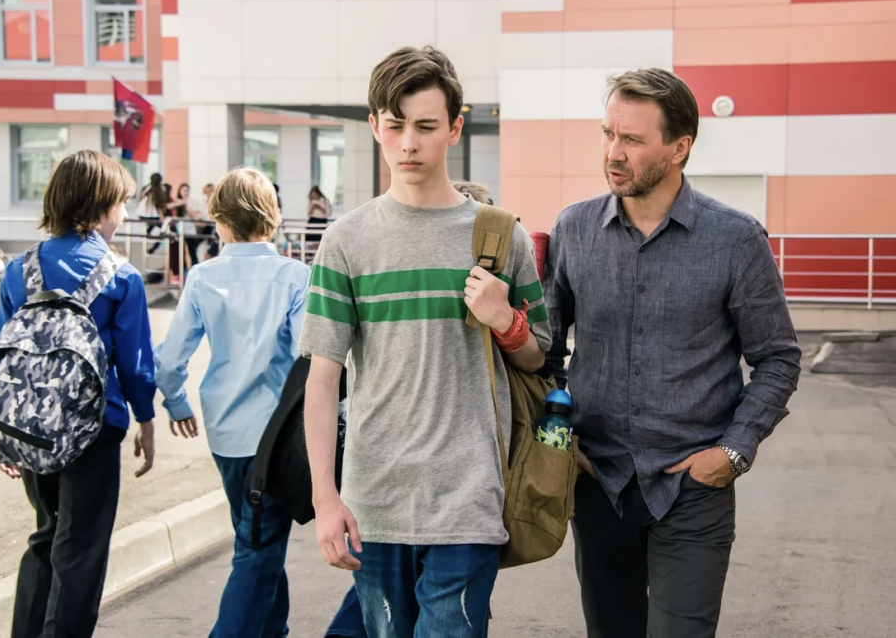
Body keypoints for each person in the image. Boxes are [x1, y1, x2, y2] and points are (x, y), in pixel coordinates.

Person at [300, 45, 551, 638]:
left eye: (426, 126)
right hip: (375, 500)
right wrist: (325, 498)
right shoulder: (346, 242)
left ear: (454, 129)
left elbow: (538, 355)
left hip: (469, 498)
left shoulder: (502, 236)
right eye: (395, 126)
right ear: (375, 126)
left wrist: (505, 320)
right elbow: (323, 379)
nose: (408, 143)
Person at [543, 68, 802, 638]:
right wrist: (562, 443)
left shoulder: (736, 239)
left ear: (680, 147)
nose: (613, 152)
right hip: (598, 481)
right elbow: (544, 352)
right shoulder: (574, 229)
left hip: (693, 488)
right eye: (608, 133)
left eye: (632, 139)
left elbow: (778, 358)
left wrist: (733, 452)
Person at [0, 150, 157, 638]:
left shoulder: (19, 270)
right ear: (100, 206)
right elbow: (136, 365)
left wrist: (3, 430)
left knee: (46, 535)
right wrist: (146, 421)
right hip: (94, 430)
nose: (125, 214)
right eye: (121, 203)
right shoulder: (121, 276)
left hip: (32, 426)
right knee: (81, 546)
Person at [154, 166, 311, 638]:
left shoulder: (203, 277)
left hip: (224, 432)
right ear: (272, 216)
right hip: (278, 437)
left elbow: (169, 361)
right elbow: (309, 360)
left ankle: (273, 632)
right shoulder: (295, 276)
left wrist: (177, 403)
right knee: (257, 549)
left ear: (219, 220)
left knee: (256, 539)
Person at [137, 172, 169, 254]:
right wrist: (162, 217)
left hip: (141, 215)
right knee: (166, 229)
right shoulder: (159, 189)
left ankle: (147, 232)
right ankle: (154, 247)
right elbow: (159, 205)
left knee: (153, 223)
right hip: (152, 216)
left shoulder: (145, 188)